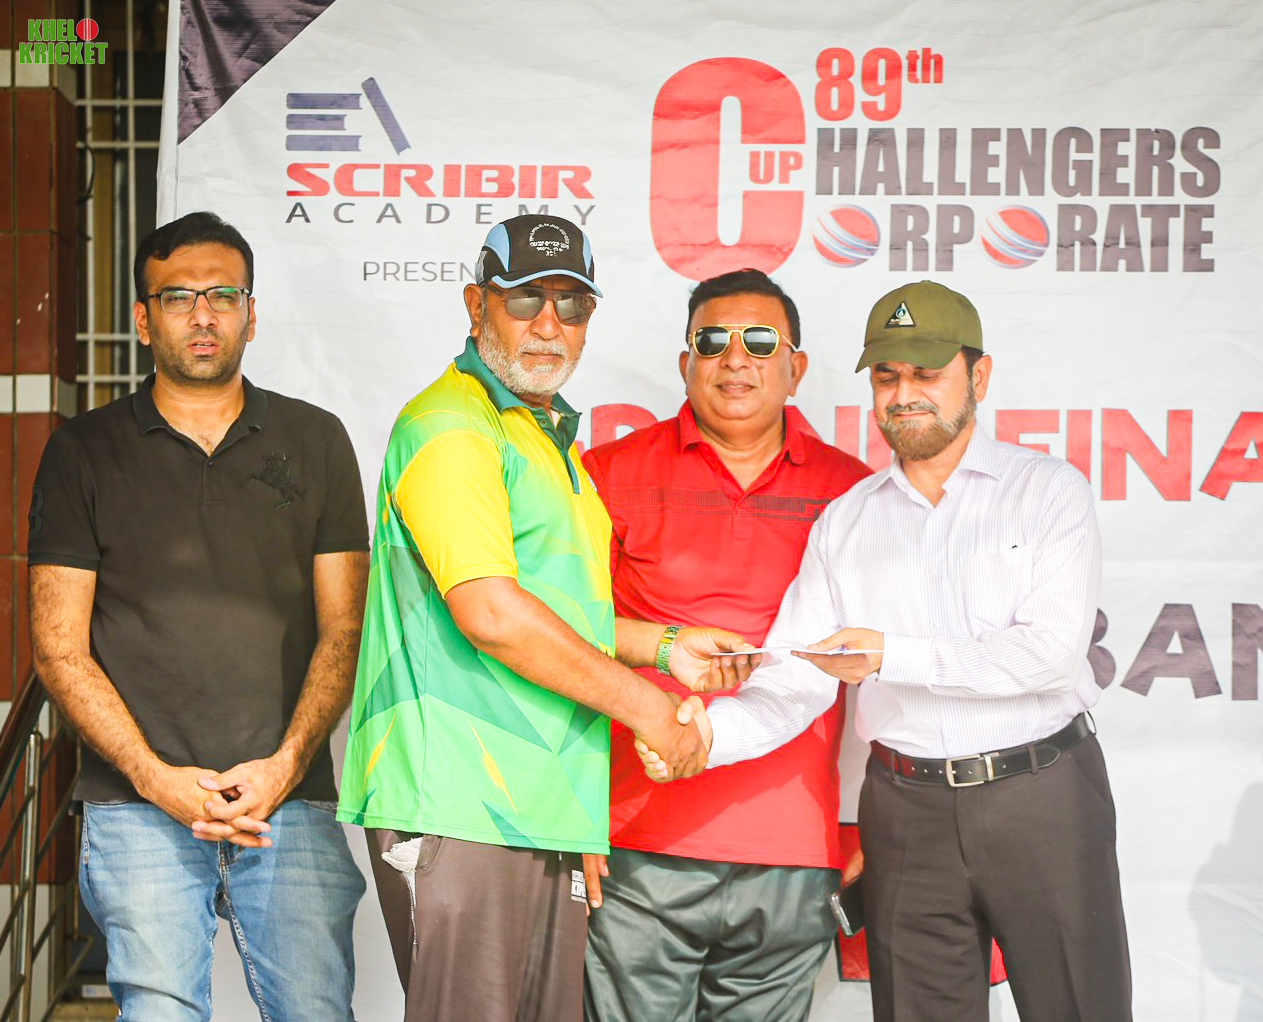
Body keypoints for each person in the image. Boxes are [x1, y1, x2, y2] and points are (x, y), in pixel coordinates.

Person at [643, 280, 1133, 1022]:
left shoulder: (1046, 491)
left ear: (978, 376)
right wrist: (706, 735)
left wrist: (888, 655)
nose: (904, 395)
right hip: (904, 811)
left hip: (1041, 793)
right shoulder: (846, 521)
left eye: (926, 373)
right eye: (886, 376)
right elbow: (796, 677)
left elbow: (1049, 656)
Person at [335, 214, 752, 1022]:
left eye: (572, 303)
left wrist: (663, 646)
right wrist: (649, 711)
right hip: (457, 806)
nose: (549, 324)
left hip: (542, 809)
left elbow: (554, 615)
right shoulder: (451, 425)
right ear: (475, 305)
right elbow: (492, 614)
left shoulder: (544, 434)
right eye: (525, 299)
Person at [27, 211, 369, 1021]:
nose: (203, 314)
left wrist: (283, 767)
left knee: (317, 1013)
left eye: (224, 295)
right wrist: (155, 779)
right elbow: (58, 647)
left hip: (288, 798)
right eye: (178, 296)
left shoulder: (316, 439)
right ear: (143, 319)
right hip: (135, 806)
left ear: (253, 312)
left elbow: (346, 628)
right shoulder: (84, 450)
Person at [580, 268, 871, 1022]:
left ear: (795, 367)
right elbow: (558, 646)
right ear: (685, 362)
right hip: (635, 841)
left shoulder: (858, 493)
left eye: (760, 341)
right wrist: (570, 818)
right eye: (711, 341)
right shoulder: (605, 474)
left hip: (793, 851)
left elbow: (889, 676)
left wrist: (879, 828)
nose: (734, 358)